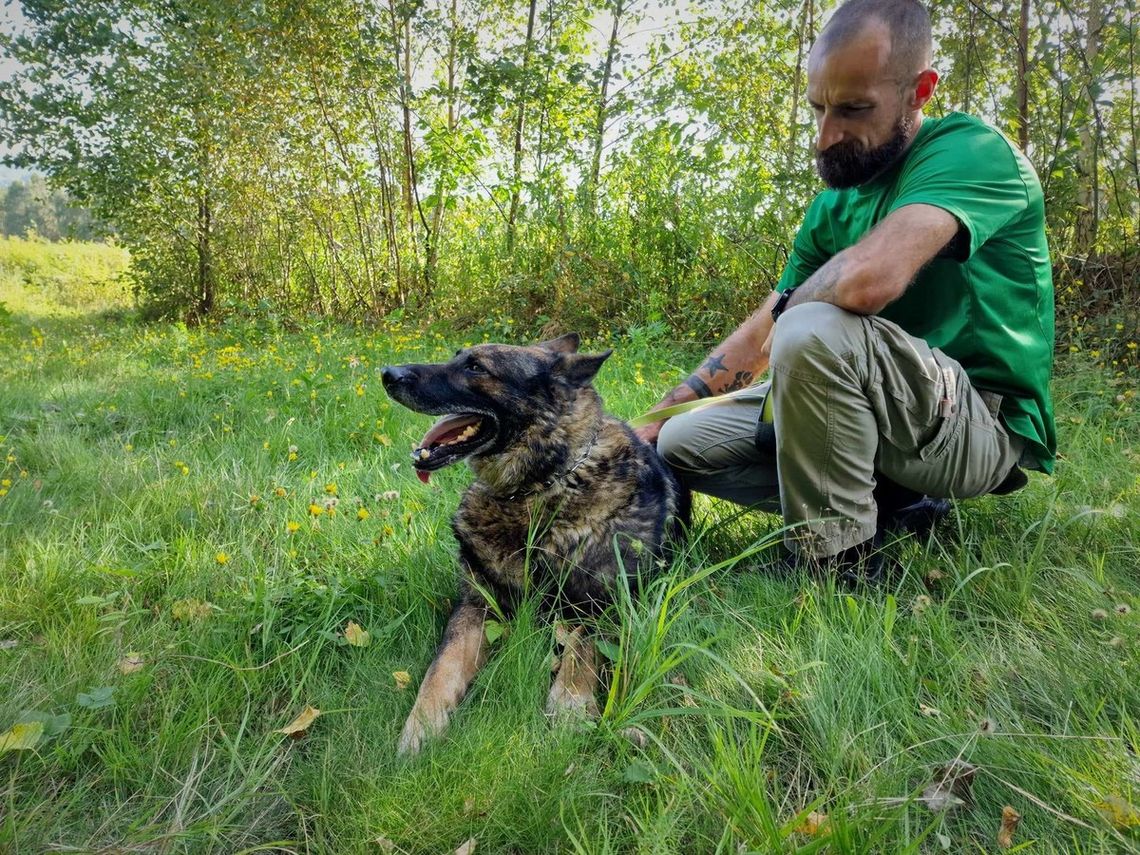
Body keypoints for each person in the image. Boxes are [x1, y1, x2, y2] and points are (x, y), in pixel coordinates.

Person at [638, 0, 1056, 581]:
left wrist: (787, 319)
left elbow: (867, 282)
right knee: (680, 441)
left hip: (975, 425)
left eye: (855, 109)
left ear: (920, 91)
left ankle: (839, 562)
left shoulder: (975, 154)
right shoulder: (833, 204)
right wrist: (648, 424)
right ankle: (896, 510)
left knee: (811, 328)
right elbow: (762, 332)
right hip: (879, 410)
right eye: (819, 108)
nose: (827, 135)